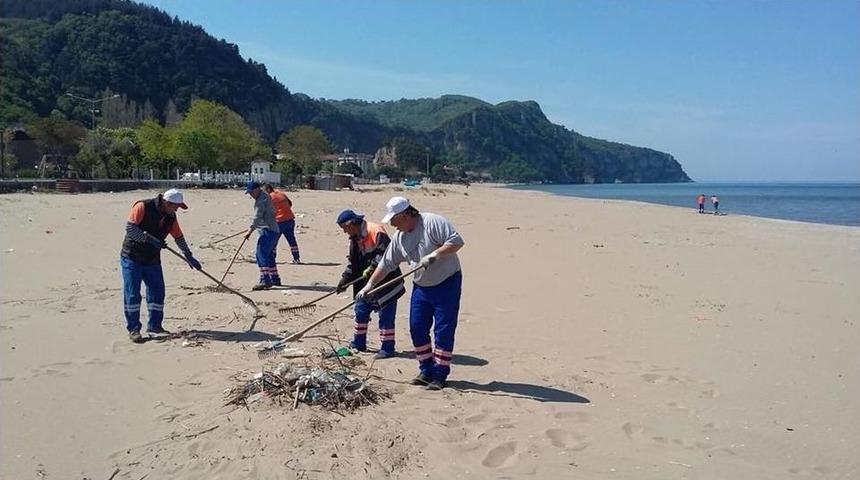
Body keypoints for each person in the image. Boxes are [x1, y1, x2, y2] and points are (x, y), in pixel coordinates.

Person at [359, 197, 465, 391]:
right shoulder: (400, 237)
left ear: (407, 214)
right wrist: (370, 285)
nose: (391, 224)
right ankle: (426, 370)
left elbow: (457, 242)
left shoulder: (432, 222)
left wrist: (434, 255)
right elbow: (386, 263)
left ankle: (440, 375)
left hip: (447, 282)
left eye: (394, 219)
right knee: (417, 327)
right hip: (421, 286)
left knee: (443, 330)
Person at [120, 188, 201, 343]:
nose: (177, 209)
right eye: (176, 206)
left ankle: (155, 325)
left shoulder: (171, 217)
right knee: (132, 294)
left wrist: (188, 255)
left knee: (157, 291)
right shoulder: (143, 206)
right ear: (166, 202)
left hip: (152, 259)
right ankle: (134, 329)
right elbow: (130, 229)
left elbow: (178, 237)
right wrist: (149, 239)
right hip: (132, 257)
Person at [335, 209, 405, 359]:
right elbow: (353, 263)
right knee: (360, 310)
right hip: (366, 283)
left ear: (351, 224)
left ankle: (387, 348)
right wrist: (344, 280)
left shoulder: (375, 231)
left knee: (385, 316)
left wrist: (372, 268)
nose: (344, 232)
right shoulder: (354, 237)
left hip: (386, 281)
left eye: (344, 228)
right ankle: (358, 343)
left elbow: (386, 256)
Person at [244, 181, 281, 290]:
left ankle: (265, 280)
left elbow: (257, 216)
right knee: (269, 255)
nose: (250, 195)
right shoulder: (266, 196)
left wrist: (250, 231)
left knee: (261, 254)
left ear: (256, 190)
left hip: (268, 230)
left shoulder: (261, 200)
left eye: (251, 192)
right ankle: (275, 278)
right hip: (274, 230)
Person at [263, 184, 301, 264]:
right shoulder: (281, 193)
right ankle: (296, 258)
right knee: (292, 240)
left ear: (268, 190)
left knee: (273, 241)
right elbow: (290, 203)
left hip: (279, 222)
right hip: (290, 219)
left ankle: (272, 258)